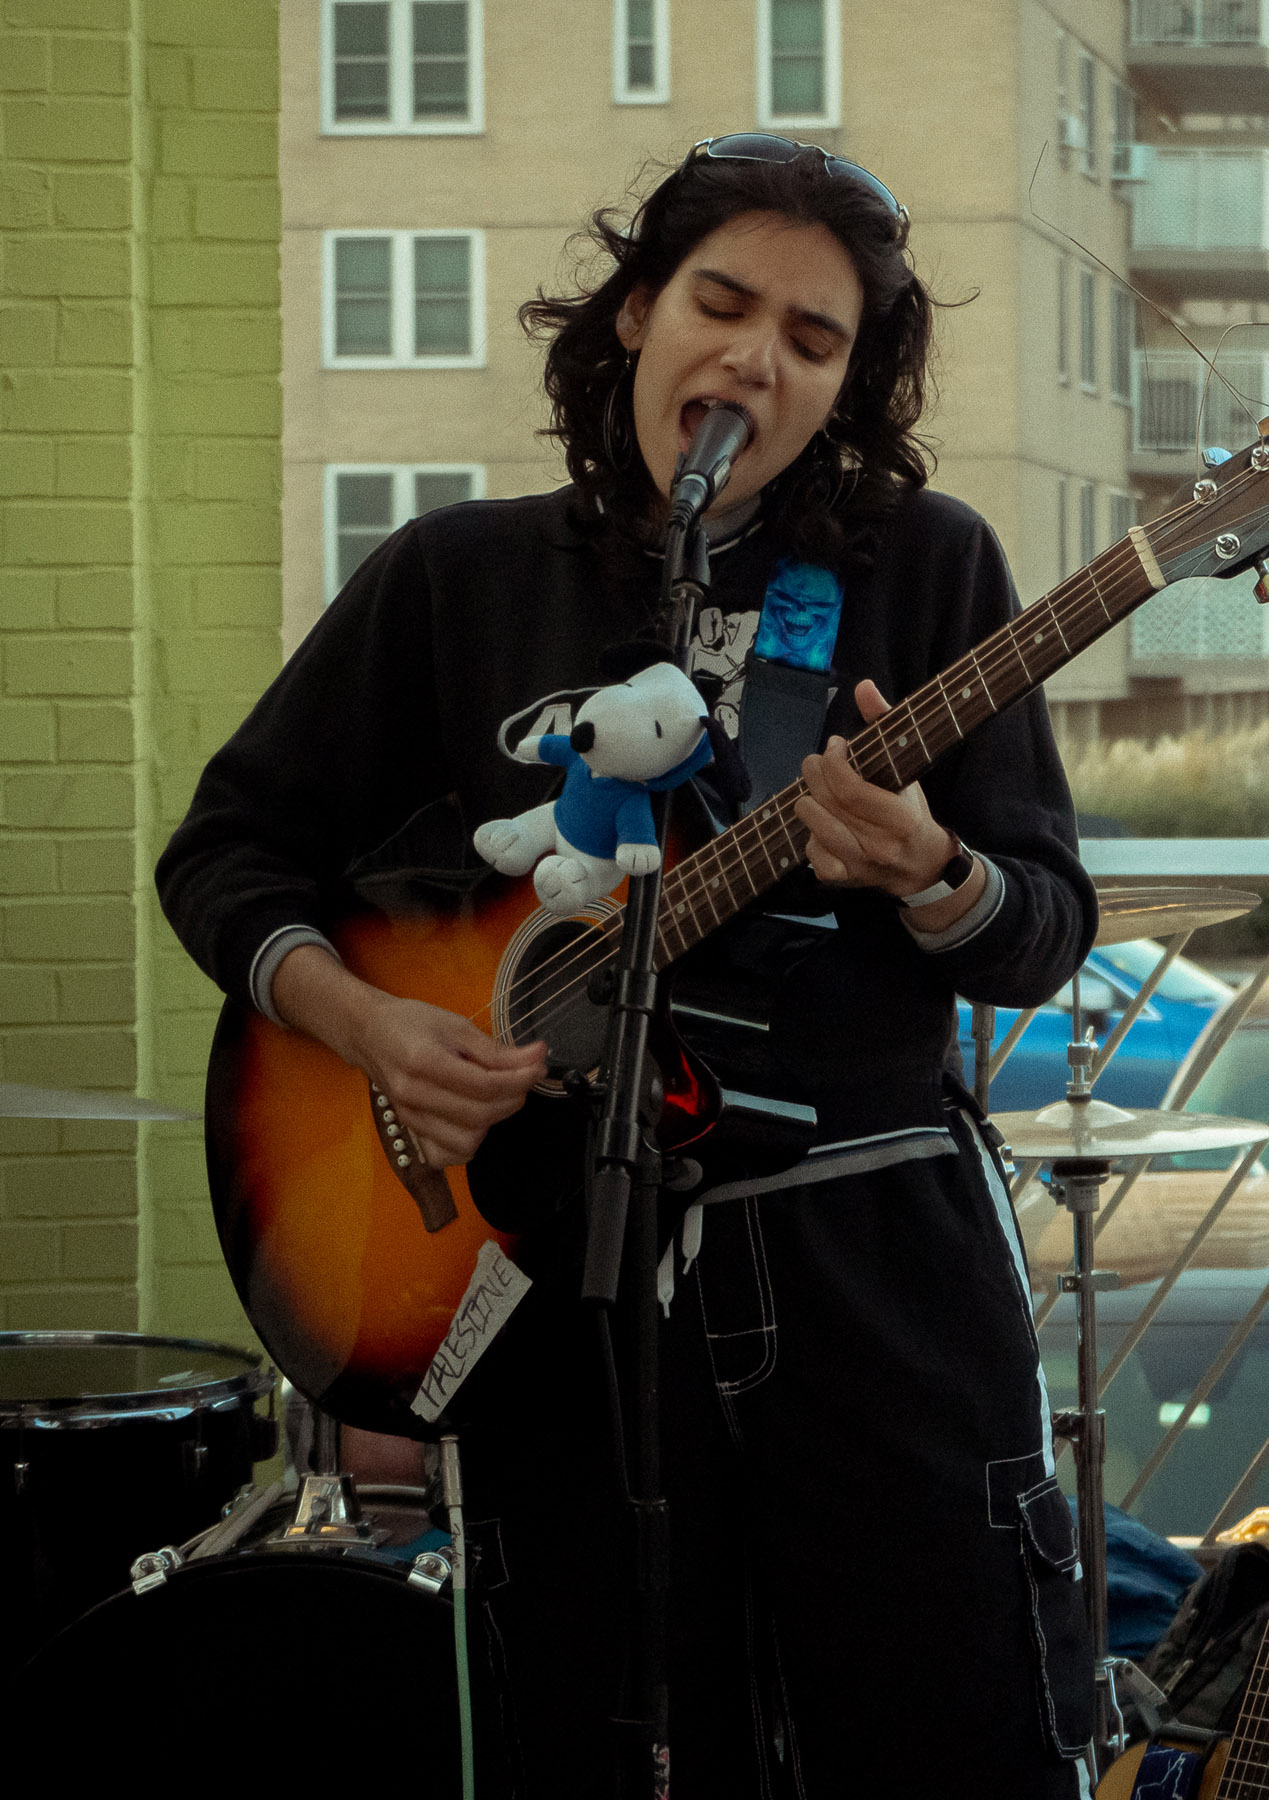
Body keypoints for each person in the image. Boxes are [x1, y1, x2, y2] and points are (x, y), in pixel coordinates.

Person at [157, 137, 1096, 1798]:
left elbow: (1044, 927)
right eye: (723, 304)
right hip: (561, 1289)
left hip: (871, 1272)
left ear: (847, 384)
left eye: (814, 340)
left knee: (943, 1730)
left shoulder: (921, 567)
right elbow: (227, 855)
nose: (757, 356)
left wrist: (935, 873)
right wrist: (372, 1025)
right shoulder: (461, 576)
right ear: (635, 317)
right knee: (599, 1739)